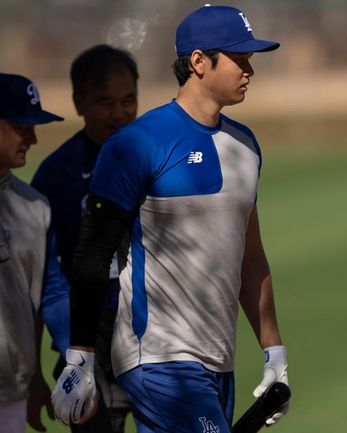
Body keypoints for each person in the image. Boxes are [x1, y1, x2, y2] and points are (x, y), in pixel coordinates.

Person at [50, 5, 289, 432]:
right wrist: (79, 357)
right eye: (240, 58)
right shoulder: (136, 143)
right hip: (156, 358)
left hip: (219, 361)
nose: (249, 70)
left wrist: (275, 353)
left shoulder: (247, 146)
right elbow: (93, 251)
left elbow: (250, 256)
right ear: (198, 61)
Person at [31, 44, 139, 433]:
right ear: (79, 103)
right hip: (86, 336)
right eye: (104, 101)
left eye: (129, 100)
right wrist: (69, 341)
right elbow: (45, 275)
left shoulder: (158, 158)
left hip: (152, 331)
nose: (119, 112)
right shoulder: (56, 174)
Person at [0, 72, 63, 433]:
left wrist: (39, 374)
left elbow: (42, 295)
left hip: (11, 392)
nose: (34, 138)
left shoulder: (35, 206)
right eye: (22, 126)